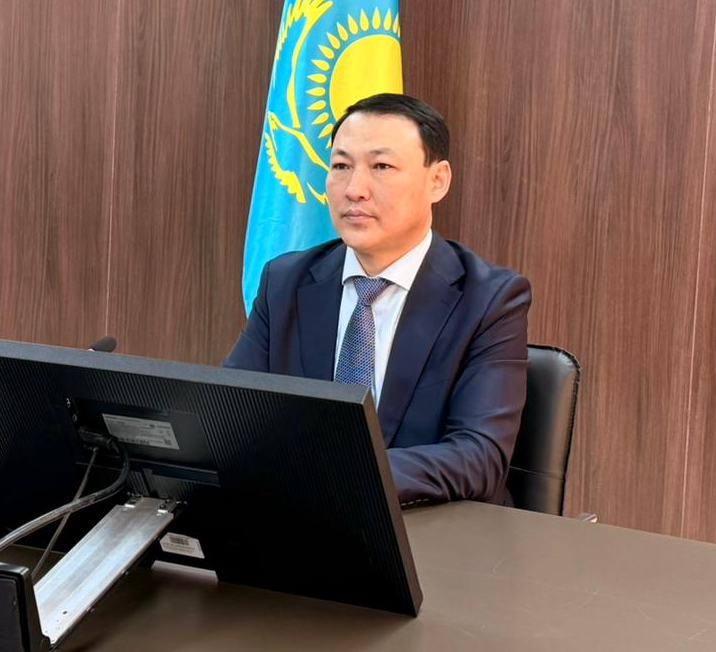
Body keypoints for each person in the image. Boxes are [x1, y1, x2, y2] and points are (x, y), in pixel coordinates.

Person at [225, 93, 530, 505]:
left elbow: (478, 457)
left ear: (437, 181)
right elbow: (231, 414)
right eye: (341, 166)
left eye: (381, 167)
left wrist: (336, 473)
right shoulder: (286, 281)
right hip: (298, 522)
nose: (354, 190)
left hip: (428, 529)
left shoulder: (489, 299)